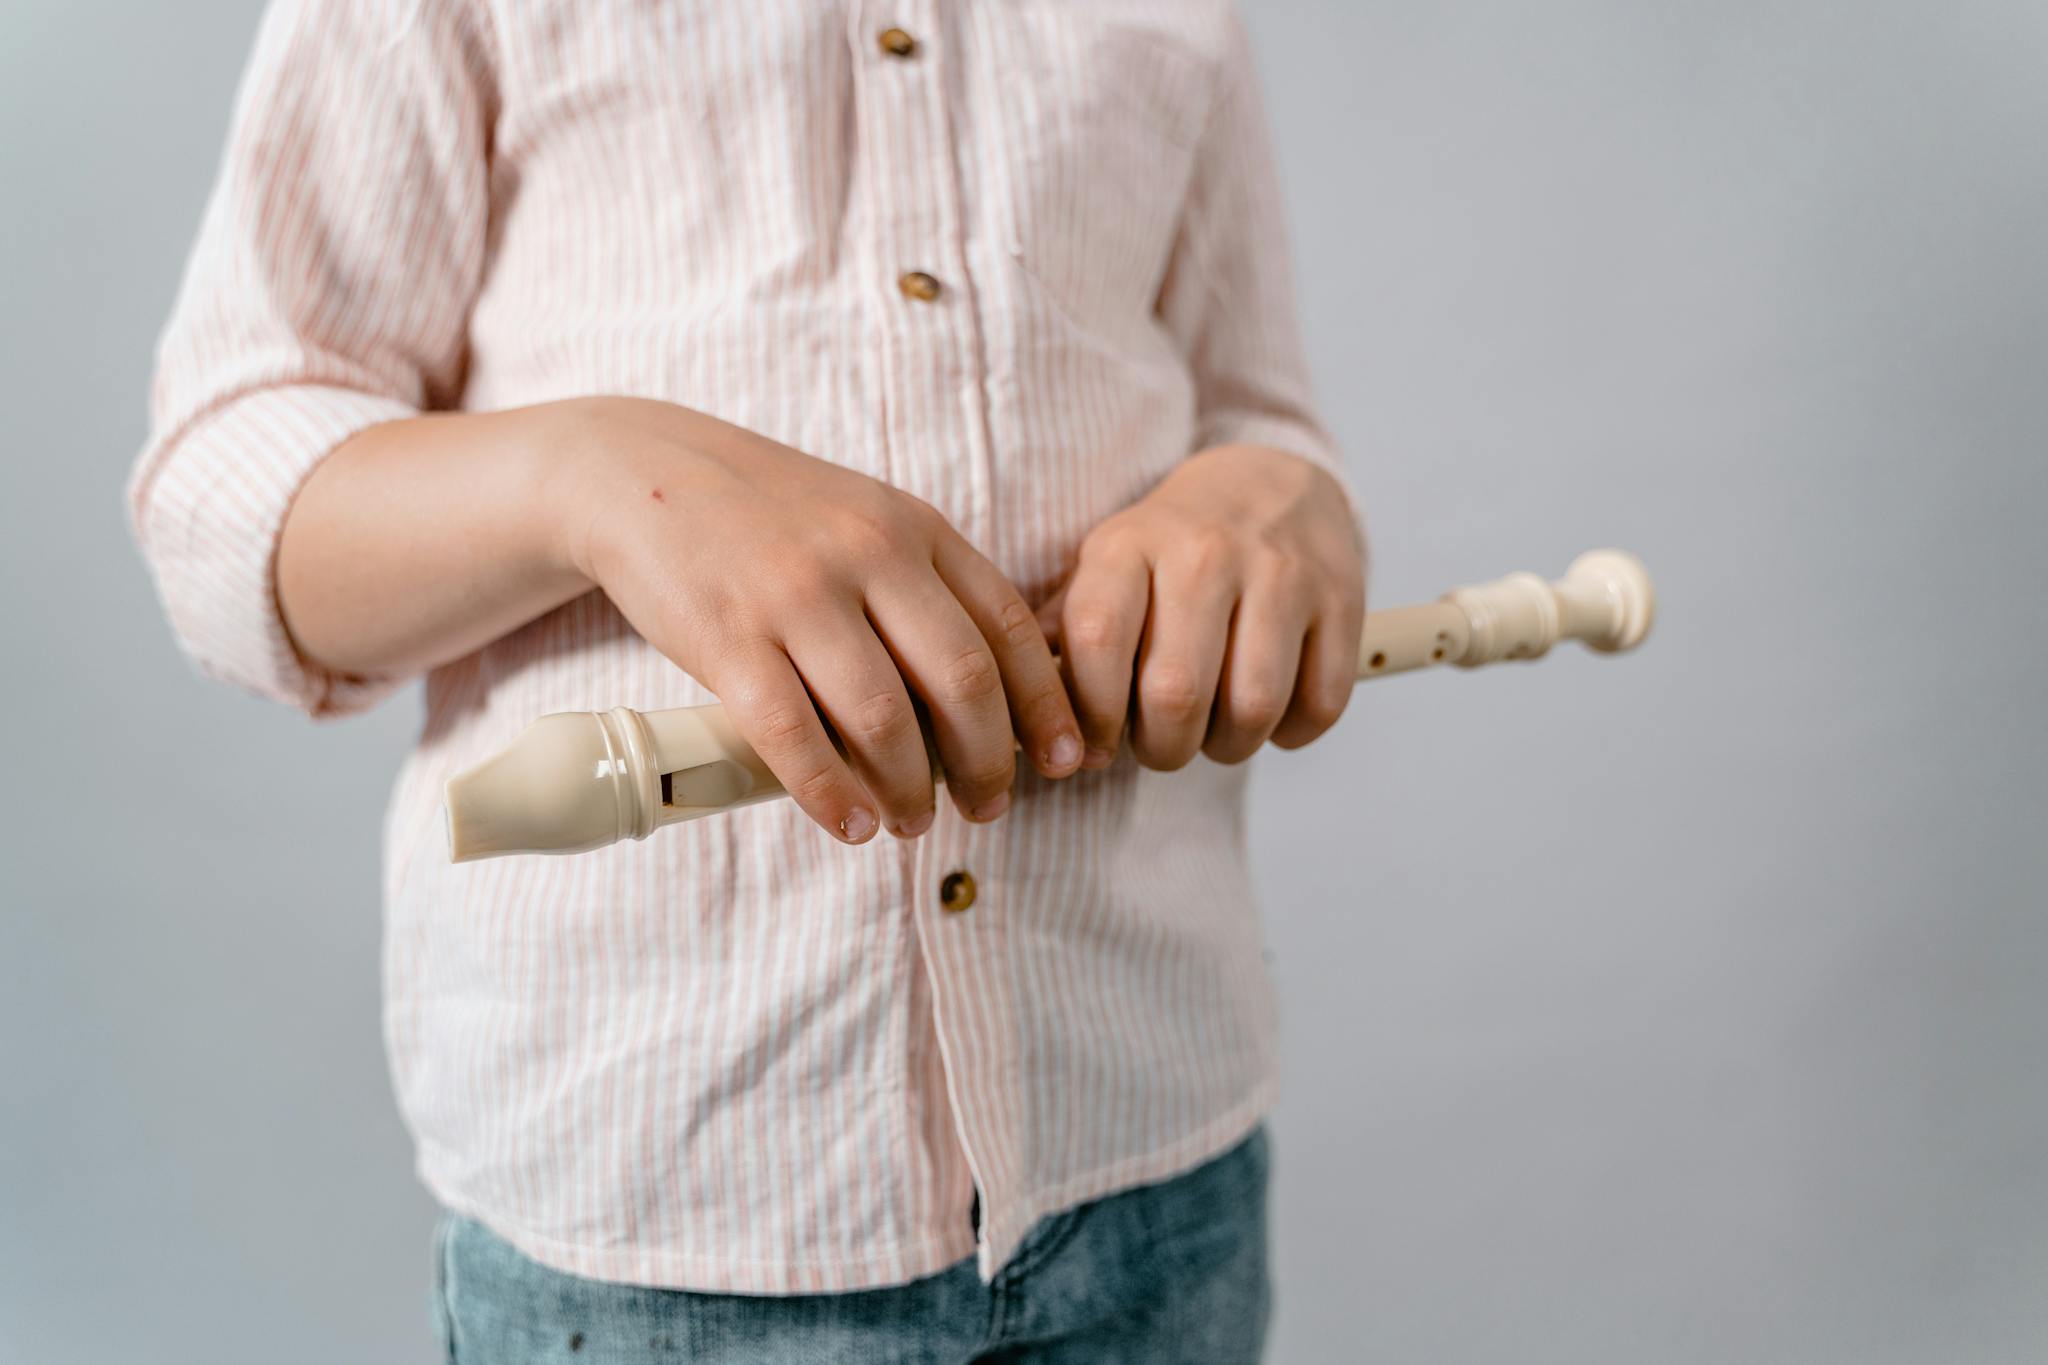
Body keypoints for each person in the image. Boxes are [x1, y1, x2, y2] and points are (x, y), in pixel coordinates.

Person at [129, 1, 1366, 1359]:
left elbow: (1256, 409)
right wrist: (592, 473)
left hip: (1161, 1165)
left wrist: (1277, 488)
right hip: (656, 1230)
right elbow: (219, 509)